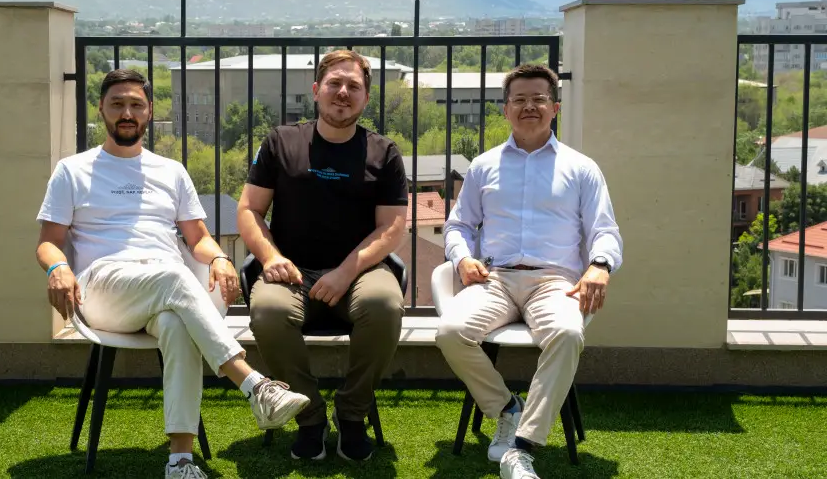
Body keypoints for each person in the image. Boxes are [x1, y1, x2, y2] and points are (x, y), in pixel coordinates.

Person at [35, 69, 310, 479]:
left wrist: (219, 258)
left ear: (149, 111)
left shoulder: (171, 171)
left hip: (163, 288)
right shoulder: (72, 170)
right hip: (103, 290)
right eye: (117, 104)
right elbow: (48, 242)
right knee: (174, 276)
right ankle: (254, 385)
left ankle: (180, 462)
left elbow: (198, 238)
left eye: (136, 105)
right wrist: (58, 267)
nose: (126, 113)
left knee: (176, 324)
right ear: (101, 109)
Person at [436, 64, 623, 479]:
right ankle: (507, 408)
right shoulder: (483, 166)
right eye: (519, 100)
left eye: (539, 99)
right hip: (495, 279)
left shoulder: (581, 168)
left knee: (568, 334)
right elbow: (458, 225)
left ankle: (521, 448)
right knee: (450, 332)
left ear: (555, 107)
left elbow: (605, 231)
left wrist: (600, 265)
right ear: (506, 110)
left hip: (555, 282)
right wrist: (462, 258)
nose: (529, 107)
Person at [237, 49, 408, 462]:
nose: (343, 92)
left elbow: (392, 227)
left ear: (366, 98)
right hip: (291, 270)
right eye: (334, 83)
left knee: (384, 305)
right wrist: (270, 257)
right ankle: (309, 417)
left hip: (361, 272)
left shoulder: (384, 152)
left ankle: (352, 415)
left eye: (354, 86)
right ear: (316, 90)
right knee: (268, 311)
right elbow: (249, 210)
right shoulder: (280, 142)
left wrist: (345, 272)